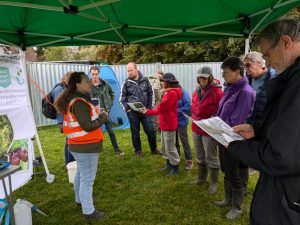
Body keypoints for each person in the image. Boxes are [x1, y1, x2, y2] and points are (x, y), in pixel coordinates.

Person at [229, 18, 300, 225]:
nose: (267, 62)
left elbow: (282, 156)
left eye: (267, 55)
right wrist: (258, 130)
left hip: (288, 202)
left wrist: (235, 146)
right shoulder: (292, 78)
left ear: (286, 42)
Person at [54, 72, 108, 221]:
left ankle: (80, 199)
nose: (89, 83)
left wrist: (98, 114)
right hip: (86, 147)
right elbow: (87, 126)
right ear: (77, 84)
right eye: (86, 81)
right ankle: (89, 211)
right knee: (87, 179)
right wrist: (103, 118)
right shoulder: (79, 102)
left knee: (81, 174)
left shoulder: (75, 100)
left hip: (78, 146)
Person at [215, 57, 255, 219]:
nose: (223, 75)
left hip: (233, 139)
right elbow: (223, 112)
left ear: (237, 71)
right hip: (223, 136)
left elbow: (238, 120)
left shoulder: (245, 92)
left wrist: (221, 131)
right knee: (227, 168)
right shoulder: (230, 88)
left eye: (226, 72)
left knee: (234, 171)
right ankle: (228, 198)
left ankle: (237, 207)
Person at [242, 51, 276, 189]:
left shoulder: (274, 79)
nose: (247, 69)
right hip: (249, 123)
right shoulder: (248, 79)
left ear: (259, 63)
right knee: (247, 155)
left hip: (264, 126)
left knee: (263, 160)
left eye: (248, 65)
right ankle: (242, 187)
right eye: (245, 67)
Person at [190, 66, 223, 194]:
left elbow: (222, 112)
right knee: (199, 155)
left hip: (210, 129)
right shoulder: (195, 92)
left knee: (211, 156)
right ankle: (201, 178)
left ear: (210, 77)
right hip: (196, 127)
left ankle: (214, 182)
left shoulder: (218, 93)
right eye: (200, 78)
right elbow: (195, 108)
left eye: (204, 77)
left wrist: (213, 117)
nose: (202, 80)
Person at [143, 73, 182, 176]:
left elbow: (161, 108)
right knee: (165, 146)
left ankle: (175, 165)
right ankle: (168, 164)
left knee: (170, 147)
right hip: (165, 123)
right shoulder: (167, 92)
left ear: (168, 83)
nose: (161, 83)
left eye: (163, 81)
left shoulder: (171, 94)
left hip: (169, 124)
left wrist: (146, 111)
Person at [120, 62, 160, 157]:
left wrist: (150, 107)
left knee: (151, 131)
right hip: (133, 113)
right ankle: (138, 151)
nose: (129, 72)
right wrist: (127, 109)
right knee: (135, 132)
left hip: (145, 112)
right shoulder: (126, 83)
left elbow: (151, 94)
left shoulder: (145, 80)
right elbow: (122, 98)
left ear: (136, 69)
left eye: (131, 70)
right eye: (128, 70)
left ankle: (154, 149)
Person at [90, 66, 124, 156]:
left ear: (98, 74)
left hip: (105, 112)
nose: (94, 76)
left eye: (96, 74)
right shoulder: (87, 86)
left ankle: (117, 149)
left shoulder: (104, 84)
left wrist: (108, 107)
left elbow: (112, 94)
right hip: (94, 113)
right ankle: (97, 150)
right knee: (96, 132)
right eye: (93, 74)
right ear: (90, 74)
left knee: (111, 131)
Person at [52, 71, 75, 166]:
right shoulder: (59, 89)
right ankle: (69, 162)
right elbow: (59, 107)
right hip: (64, 120)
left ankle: (69, 162)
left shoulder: (65, 88)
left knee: (69, 141)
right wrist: (61, 123)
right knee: (69, 141)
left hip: (68, 119)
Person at [176, 86, 194, 170]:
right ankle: (177, 156)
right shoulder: (170, 93)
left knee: (184, 140)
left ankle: (190, 160)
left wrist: (177, 111)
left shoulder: (184, 92)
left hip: (182, 121)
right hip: (173, 120)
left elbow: (187, 106)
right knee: (174, 139)